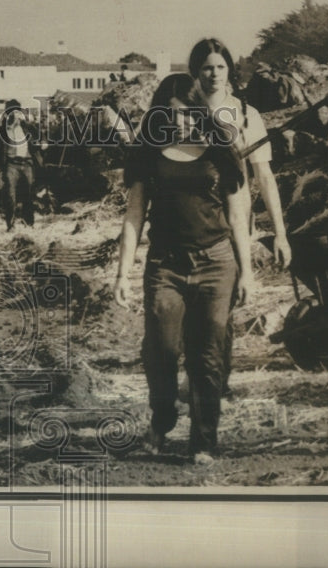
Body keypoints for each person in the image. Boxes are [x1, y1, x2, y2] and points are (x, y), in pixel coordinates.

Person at [115, 73, 255, 464]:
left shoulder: (219, 150)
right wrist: (122, 274)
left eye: (188, 114)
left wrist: (247, 271)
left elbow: (237, 216)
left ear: (199, 110)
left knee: (207, 355)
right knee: (161, 349)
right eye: (172, 115)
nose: (181, 123)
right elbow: (134, 216)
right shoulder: (147, 155)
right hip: (166, 265)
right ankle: (162, 417)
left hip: (216, 262)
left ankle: (204, 440)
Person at [185, 39, 292, 397]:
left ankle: (215, 378)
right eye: (206, 68)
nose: (213, 74)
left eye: (220, 67)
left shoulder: (247, 115)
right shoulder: (181, 114)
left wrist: (280, 233)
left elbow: (265, 178)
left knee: (223, 306)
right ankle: (202, 373)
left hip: (235, 221)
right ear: (195, 72)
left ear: (230, 70)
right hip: (192, 221)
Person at [0, 99, 42, 232]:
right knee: (10, 195)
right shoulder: (3, 129)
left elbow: (37, 137)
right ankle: (11, 225)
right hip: (11, 164)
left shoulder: (27, 126)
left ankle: (29, 222)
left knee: (29, 194)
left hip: (26, 163)